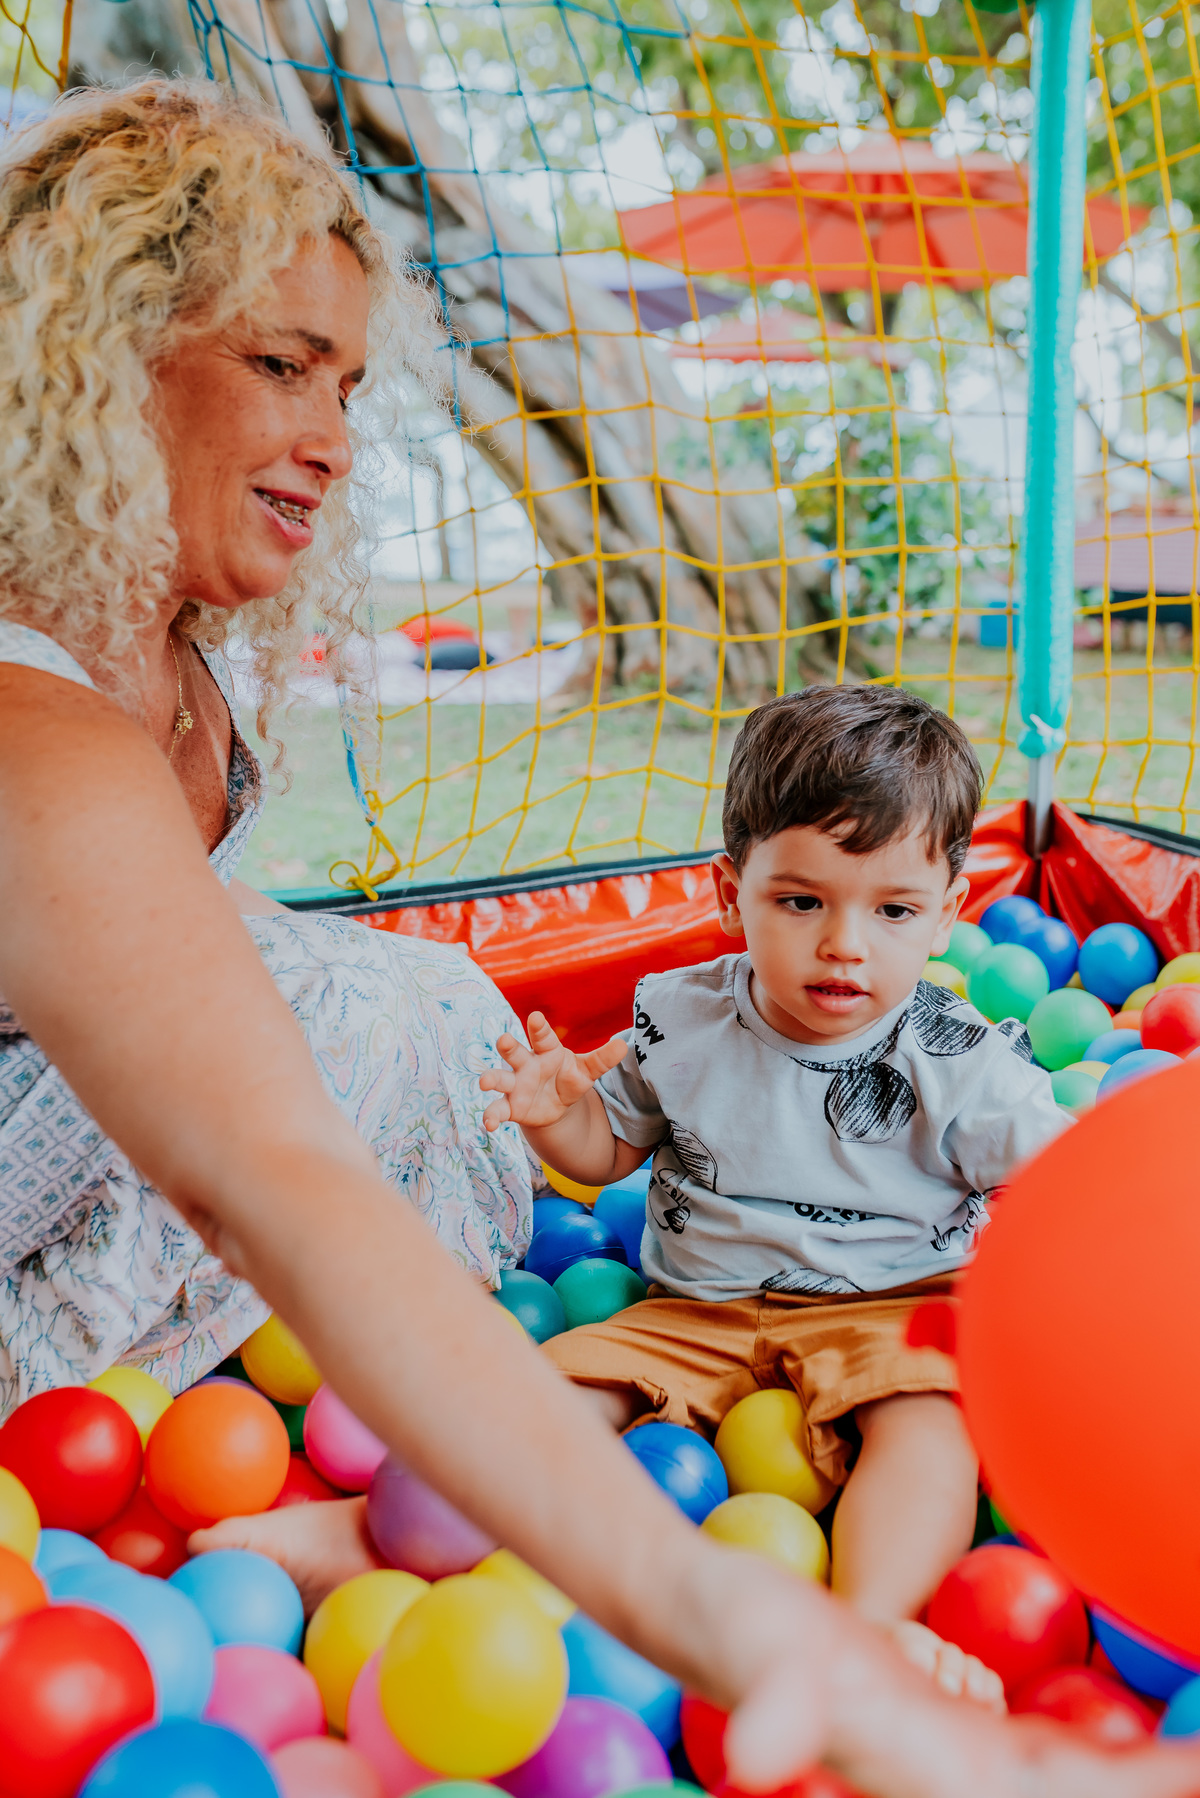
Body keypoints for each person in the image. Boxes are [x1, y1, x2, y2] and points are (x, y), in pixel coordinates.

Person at [4, 77, 1200, 1798]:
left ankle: (368, 1487)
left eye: (349, 386)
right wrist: (735, 1616)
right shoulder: (33, 730)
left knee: (420, 1001)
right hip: (92, 1259)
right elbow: (271, 1167)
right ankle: (303, 1500)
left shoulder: (172, 653)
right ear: (102, 358)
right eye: (280, 364)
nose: (334, 436)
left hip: (823, 1318)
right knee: (384, 1035)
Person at [481, 687, 1066, 1703]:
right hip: (692, 1309)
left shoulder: (961, 1062)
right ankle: (455, 1557)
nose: (845, 944)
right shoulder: (681, 1018)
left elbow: (1066, 1183)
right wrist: (552, 1117)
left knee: (932, 1422)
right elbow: (609, 1147)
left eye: (892, 911)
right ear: (730, 891)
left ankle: (871, 1627)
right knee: (545, 1395)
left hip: (889, 1305)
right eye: (802, 902)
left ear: (947, 913)